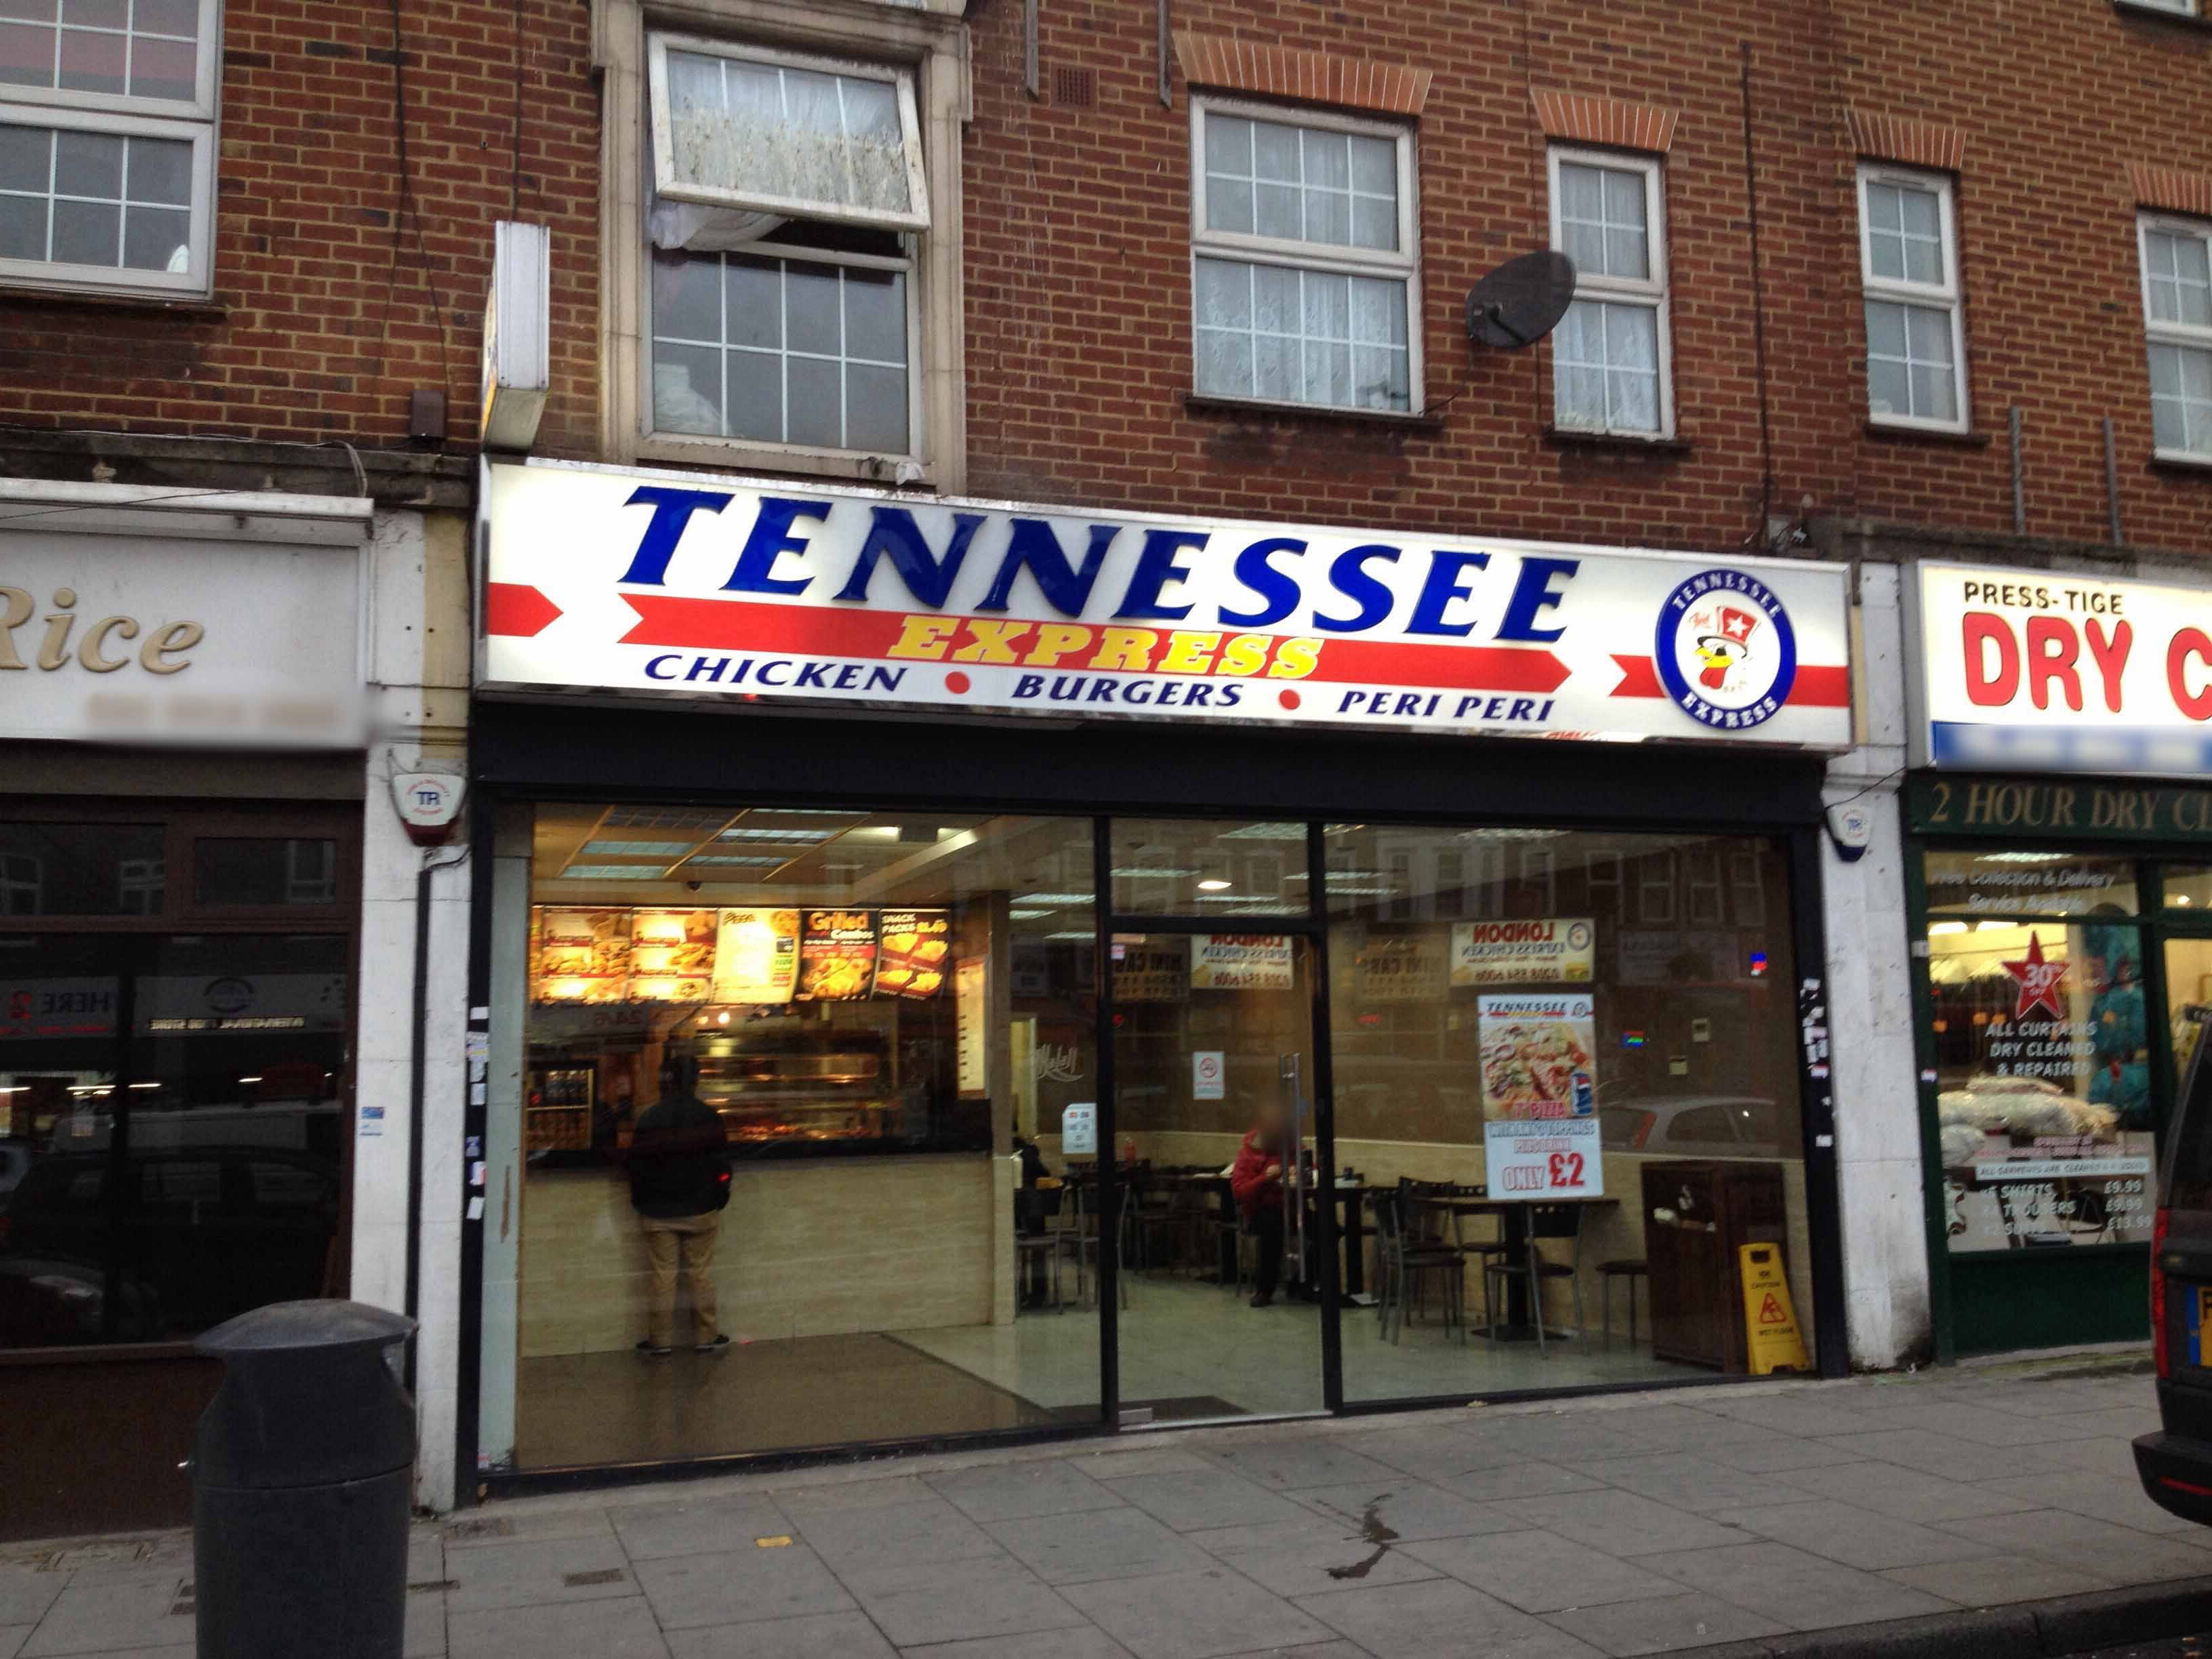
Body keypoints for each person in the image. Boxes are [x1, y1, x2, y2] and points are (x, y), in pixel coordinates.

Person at [625, 1055, 732, 1357]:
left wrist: (641, 1200)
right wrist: (720, 1195)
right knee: (700, 1272)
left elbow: (636, 1165)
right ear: (696, 1081)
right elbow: (721, 1165)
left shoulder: (649, 1118)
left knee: (663, 1275)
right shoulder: (709, 1117)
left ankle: (659, 1341)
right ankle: (707, 1336)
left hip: (658, 1211)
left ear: (666, 1082)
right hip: (700, 1209)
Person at [1229, 1098, 1296, 1308]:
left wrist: (1299, 1172)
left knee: (1326, 1226)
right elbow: (1239, 1191)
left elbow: (1308, 1167)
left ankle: (1311, 1284)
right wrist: (1265, 1179)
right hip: (1258, 1213)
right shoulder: (1249, 1154)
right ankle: (1264, 1290)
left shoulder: (1293, 1147)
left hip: (1293, 1210)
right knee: (1272, 1224)